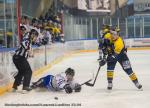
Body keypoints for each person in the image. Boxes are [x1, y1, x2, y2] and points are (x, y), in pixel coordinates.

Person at [99, 26, 142, 90]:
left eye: (116, 34)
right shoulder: (107, 36)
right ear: (110, 33)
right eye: (113, 34)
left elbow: (114, 56)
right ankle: (110, 83)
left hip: (122, 55)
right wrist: (104, 57)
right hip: (112, 53)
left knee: (128, 69)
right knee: (110, 68)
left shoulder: (119, 42)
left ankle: (136, 82)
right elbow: (104, 48)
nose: (114, 35)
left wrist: (106, 60)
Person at [12, 29, 39, 93]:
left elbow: (28, 51)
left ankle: (15, 86)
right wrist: (31, 53)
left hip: (16, 58)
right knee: (28, 71)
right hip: (20, 58)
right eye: (35, 36)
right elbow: (27, 49)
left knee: (21, 72)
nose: (36, 38)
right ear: (32, 35)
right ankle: (25, 87)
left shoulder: (28, 39)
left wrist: (30, 53)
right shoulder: (27, 40)